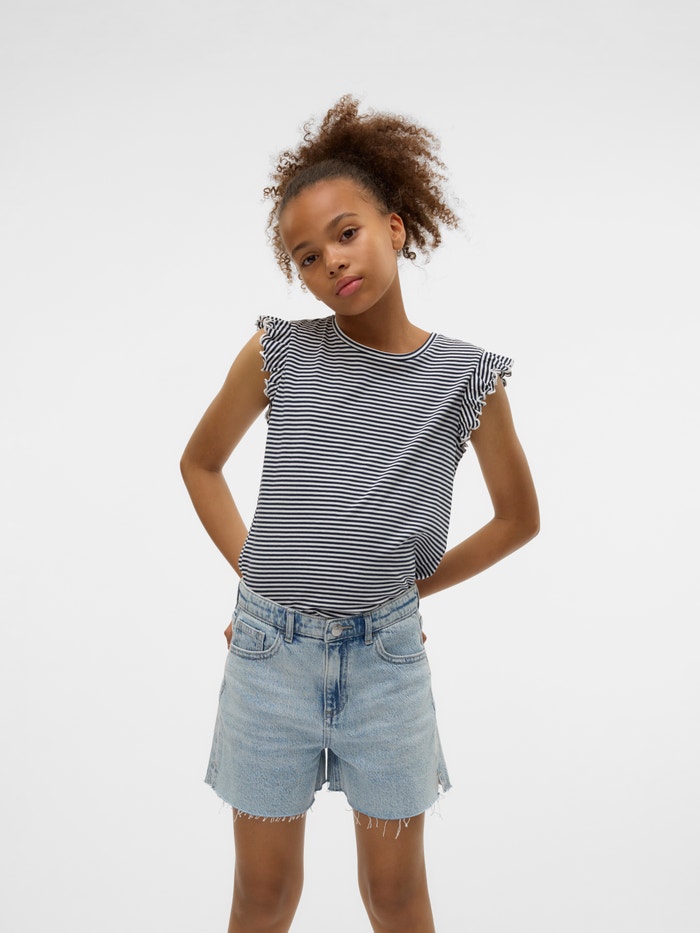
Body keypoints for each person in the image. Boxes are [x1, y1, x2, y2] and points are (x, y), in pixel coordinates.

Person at [180, 95, 539, 933]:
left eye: (346, 233)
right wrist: (261, 576)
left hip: (387, 663)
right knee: (263, 896)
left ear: (396, 226)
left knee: (395, 896)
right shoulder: (278, 352)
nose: (331, 263)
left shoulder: (467, 379)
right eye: (307, 256)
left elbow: (518, 518)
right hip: (267, 658)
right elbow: (200, 464)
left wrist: (407, 589)